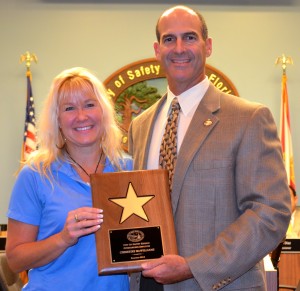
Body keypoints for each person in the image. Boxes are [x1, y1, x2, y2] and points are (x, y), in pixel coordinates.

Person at [128, 5, 291, 291]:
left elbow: (270, 212)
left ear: (209, 46)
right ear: (157, 49)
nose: (179, 48)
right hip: (148, 284)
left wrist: (194, 266)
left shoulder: (249, 118)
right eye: (169, 39)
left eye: (190, 37)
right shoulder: (140, 126)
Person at [6, 67, 132, 290]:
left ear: (103, 112)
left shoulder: (129, 169)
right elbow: (15, 260)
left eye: (90, 105)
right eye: (69, 108)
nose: (81, 116)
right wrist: (63, 238)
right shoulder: (36, 174)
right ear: (57, 119)